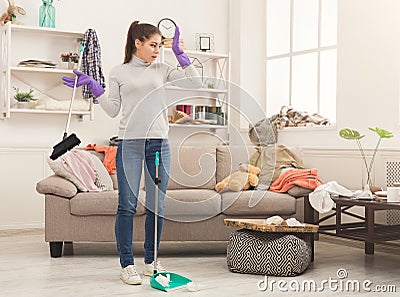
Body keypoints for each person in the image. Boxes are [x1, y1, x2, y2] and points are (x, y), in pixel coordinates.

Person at [62, 21, 202, 285]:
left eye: (160, 46)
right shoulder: (119, 72)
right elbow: (113, 109)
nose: (157, 50)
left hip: (159, 145)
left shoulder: (163, 69)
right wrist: (94, 86)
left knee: (157, 206)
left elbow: (196, 84)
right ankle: (127, 264)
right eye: (153, 45)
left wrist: (181, 55)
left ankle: (151, 261)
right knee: (126, 205)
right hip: (130, 146)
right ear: (137, 42)